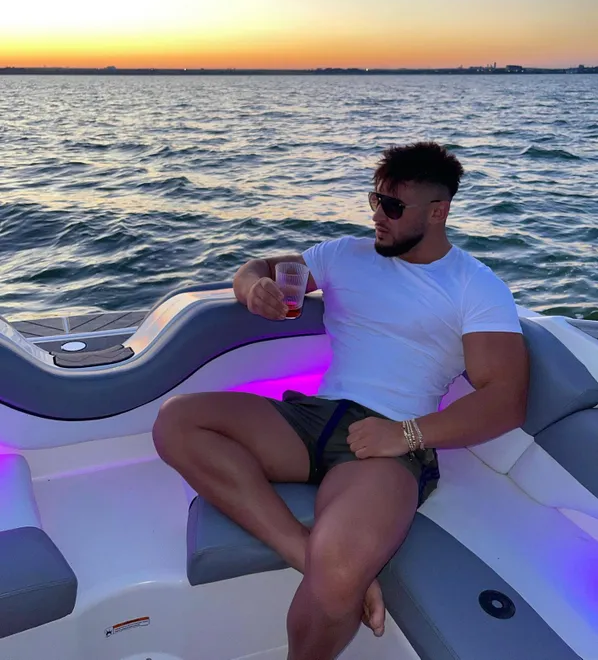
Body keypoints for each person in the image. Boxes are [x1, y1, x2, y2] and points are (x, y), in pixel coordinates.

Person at [152, 141, 529, 660]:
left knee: (340, 572)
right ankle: (300, 550)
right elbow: (258, 266)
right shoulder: (342, 254)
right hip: (313, 417)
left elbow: (505, 399)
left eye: (392, 206)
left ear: (437, 211)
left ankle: (329, 581)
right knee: (177, 420)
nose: (378, 215)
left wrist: (405, 435)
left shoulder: (475, 286)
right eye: (375, 200)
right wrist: (251, 287)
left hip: (392, 438)